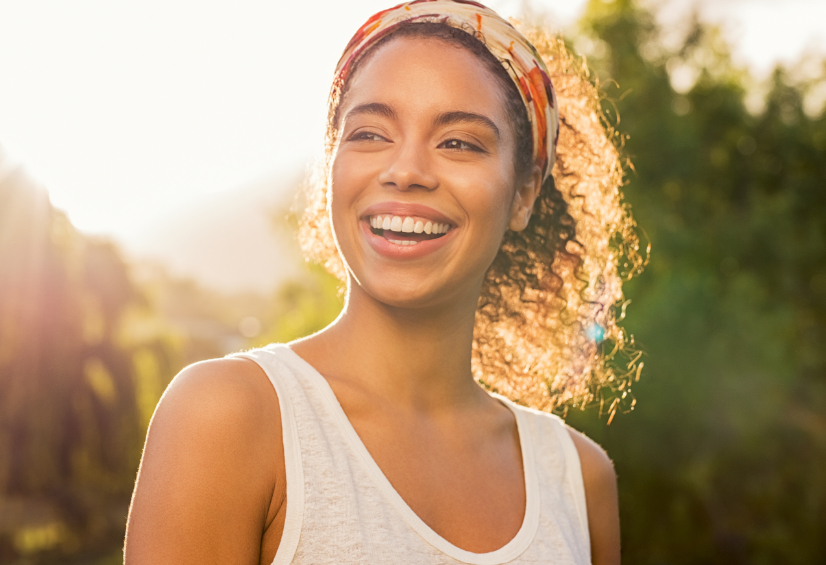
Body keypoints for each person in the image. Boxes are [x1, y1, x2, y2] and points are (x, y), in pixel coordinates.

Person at [125, 1, 643, 563]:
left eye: (459, 143)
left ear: (523, 193)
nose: (405, 171)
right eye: (370, 134)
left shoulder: (578, 479)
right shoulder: (228, 417)